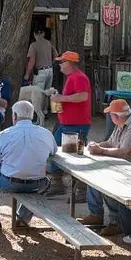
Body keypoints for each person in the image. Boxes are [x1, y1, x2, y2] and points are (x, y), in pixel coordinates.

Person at [0, 100, 55, 234]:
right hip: (38, 183)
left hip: (9, 182)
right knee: (47, 183)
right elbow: (54, 152)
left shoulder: (5, 135)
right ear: (32, 115)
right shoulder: (46, 133)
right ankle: (21, 219)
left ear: (14, 116)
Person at [77, 100, 131, 246]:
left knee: (107, 185)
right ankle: (97, 215)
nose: (110, 117)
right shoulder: (121, 124)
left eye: (111, 114)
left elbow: (124, 152)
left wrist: (101, 150)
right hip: (122, 169)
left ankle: (115, 222)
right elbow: (110, 143)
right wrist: (96, 145)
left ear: (116, 116)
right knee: (94, 177)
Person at [44, 51, 91, 198]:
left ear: (69, 63)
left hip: (75, 126)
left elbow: (83, 96)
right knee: (56, 152)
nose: (59, 65)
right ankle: (60, 184)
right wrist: (59, 99)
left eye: (61, 62)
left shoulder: (78, 77)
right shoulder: (73, 77)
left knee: (74, 158)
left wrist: (61, 98)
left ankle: (81, 190)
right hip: (69, 125)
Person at [24, 27, 58, 114]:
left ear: (34, 34)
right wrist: (51, 63)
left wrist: (27, 74)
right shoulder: (49, 43)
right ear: (43, 34)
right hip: (50, 70)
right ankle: (45, 111)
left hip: (40, 72)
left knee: (37, 94)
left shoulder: (33, 45)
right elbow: (56, 55)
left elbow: (32, 61)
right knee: (47, 92)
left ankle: (38, 113)